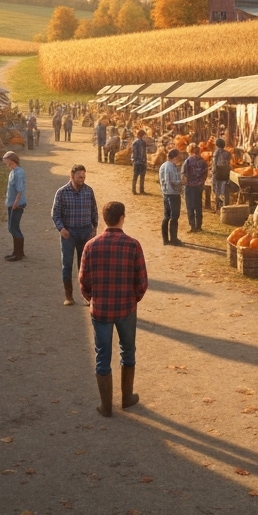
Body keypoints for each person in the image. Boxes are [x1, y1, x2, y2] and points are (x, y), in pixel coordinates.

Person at [79, 201, 148, 417]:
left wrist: (93, 298)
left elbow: (83, 280)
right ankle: (127, 398)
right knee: (127, 351)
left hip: (101, 310)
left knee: (102, 355)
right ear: (122, 217)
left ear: (104, 218)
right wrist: (132, 299)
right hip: (126, 308)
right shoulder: (133, 245)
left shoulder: (91, 245)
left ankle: (106, 406)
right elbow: (142, 281)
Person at [52, 164, 99, 307]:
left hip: (85, 233)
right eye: (79, 177)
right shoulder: (61, 193)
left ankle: (86, 296)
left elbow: (94, 211)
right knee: (67, 265)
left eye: (84, 177)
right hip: (69, 234)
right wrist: (61, 229)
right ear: (72, 176)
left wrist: (93, 229)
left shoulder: (88, 191)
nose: (82, 179)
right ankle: (69, 296)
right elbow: (55, 214)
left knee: (84, 267)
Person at [3, 151, 26, 262]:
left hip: (17, 204)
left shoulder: (19, 172)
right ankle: (15, 252)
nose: (5, 163)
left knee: (14, 228)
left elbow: (20, 189)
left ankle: (19, 253)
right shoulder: (12, 172)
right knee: (11, 227)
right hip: (11, 203)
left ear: (11, 160)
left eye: (6, 161)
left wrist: (16, 202)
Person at [159, 149, 183, 246]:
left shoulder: (163, 166)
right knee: (174, 217)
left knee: (166, 216)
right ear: (175, 157)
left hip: (165, 193)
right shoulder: (171, 167)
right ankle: (173, 239)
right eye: (178, 157)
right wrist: (182, 182)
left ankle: (165, 239)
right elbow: (173, 181)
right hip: (173, 194)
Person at [182, 145, 208, 233]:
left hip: (189, 186)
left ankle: (192, 226)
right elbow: (205, 174)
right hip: (199, 186)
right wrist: (201, 182)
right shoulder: (203, 162)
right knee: (198, 206)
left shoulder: (188, 160)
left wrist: (185, 183)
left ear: (191, 151)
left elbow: (183, 172)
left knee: (190, 206)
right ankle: (199, 226)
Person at [211, 139, 231, 210]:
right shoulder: (228, 153)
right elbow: (228, 163)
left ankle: (217, 206)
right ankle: (224, 205)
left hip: (217, 171)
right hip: (225, 171)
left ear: (216, 145)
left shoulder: (216, 152)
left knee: (216, 188)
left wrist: (213, 172)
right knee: (224, 187)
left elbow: (214, 163)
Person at [130, 128, 148, 195]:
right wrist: (144, 160)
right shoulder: (142, 142)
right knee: (141, 177)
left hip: (137, 162)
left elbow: (134, 153)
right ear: (142, 135)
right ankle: (141, 190)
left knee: (135, 176)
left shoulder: (136, 142)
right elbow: (143, 153)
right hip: (141, 162)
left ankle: (134, 190)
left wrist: (134, 160)